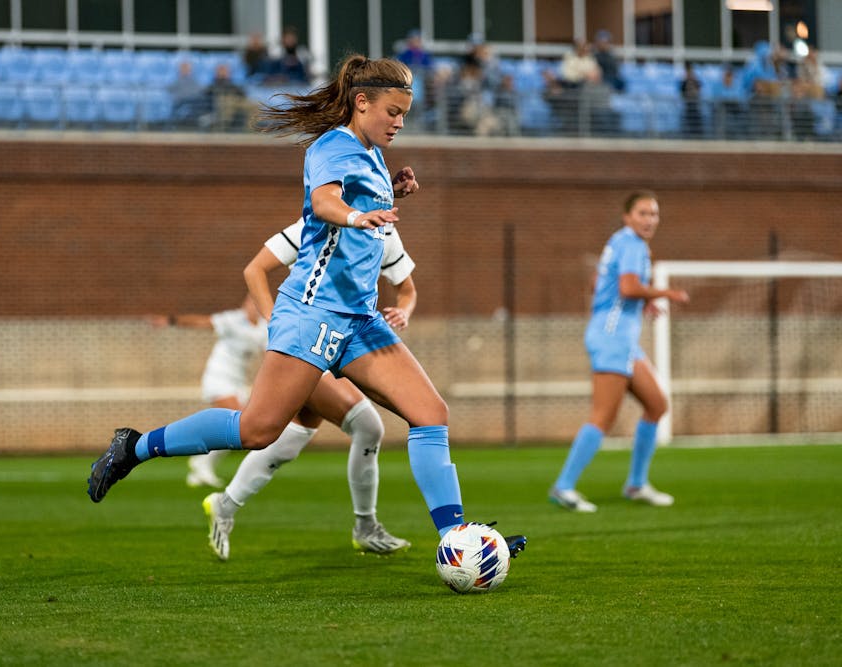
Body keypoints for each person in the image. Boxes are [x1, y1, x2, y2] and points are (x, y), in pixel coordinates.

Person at [87, 54, 526, 562]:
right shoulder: (332, 146)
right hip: (313, 312)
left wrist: (394, 189)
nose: (399, 123)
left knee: (430, 413)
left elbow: (361, 210)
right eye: (393, 112)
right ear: (361, 103)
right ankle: (134, 447)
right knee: (257, 430)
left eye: (404, 114)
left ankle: (455, 538)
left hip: (359, 319)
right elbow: (324, 204)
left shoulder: (372, 156)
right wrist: (358, 215)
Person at [202, 218, 418, 559]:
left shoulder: (383, 229)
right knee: (367, 426)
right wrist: (279, 325)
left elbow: (407, 288)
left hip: (342, 346)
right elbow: (255, 270)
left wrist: (403, 311)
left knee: (288, 439)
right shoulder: (318, 219)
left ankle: (225, 505)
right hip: (307, 345)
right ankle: (365, 526)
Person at [549, 192, 689, 513]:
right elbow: (626, 287)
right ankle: (564, 486)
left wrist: (646, 299)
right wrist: (665, 293)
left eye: (654, 214)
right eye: (643, 213)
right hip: (612, 338)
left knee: (656, 404)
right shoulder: (632, 245)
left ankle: (637, 484)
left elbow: (602, 282)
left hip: (622, 340)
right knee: (603, 416)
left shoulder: (621, 242)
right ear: (627, 216)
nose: (649, 219)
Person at [146, 296, 267, 490]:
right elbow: (203, 322)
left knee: (240, 429)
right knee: (238, 423)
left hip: (238, 383)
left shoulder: (264, 328)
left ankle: (200, 465)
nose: (250, 307)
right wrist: (171, 320)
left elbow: (268, 357)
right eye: (248, 302)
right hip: (218, 378)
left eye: (255, 303)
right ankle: (200, 462)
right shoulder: (232, 319)